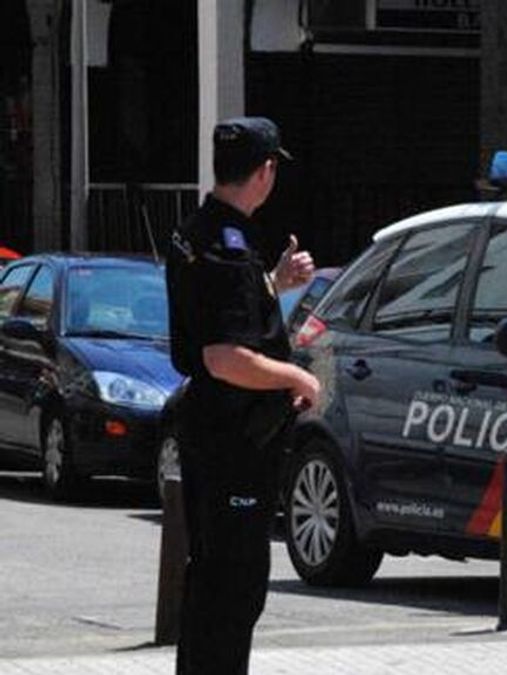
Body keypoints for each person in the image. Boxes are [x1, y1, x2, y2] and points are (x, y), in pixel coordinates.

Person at [166, 116, 320, 674]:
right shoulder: (230, 249)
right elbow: (224, 358)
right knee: (234, 590)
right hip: (234, 443)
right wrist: (297, 379)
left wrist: (275, 282)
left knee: (209, 581)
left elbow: (215, 312)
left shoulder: (197, 231)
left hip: (208, 429)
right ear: (266, 170)